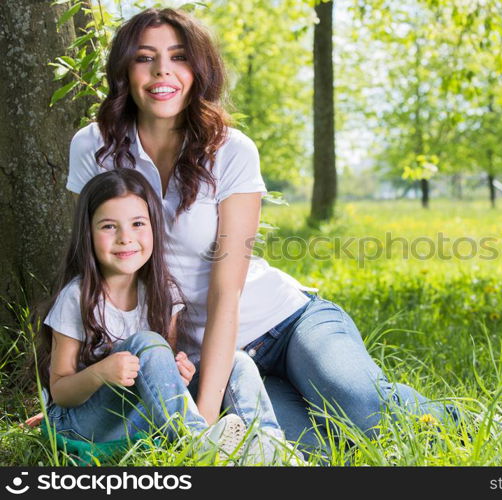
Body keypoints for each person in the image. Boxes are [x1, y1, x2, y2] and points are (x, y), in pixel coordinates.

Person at [66, 8, 458, 455]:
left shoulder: (229, 150)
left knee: (366, 412)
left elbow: (225, 292)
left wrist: (204, 418)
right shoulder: (93, 146)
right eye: (145, 58)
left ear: (198, 70)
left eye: (178, 57)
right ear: (123, 70)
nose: (162, 72)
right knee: (322, 450)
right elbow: (95, 271)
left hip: (285, 324)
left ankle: (476, 423)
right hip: (210, 360)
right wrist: (78, 396)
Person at [36, 168, 287, 463]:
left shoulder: (162, 292)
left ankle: (270, 449)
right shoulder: (77, 297)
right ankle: (197, 443)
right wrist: (101, 373)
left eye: (137, 224)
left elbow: (161, 372)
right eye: (108, 227)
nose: (125, 238)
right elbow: (61, 391)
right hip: (82, 423)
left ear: (154, 228)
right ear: (87, 234)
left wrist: (178, 372)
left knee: (235, 361)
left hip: (142, 416)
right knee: (145, 341)